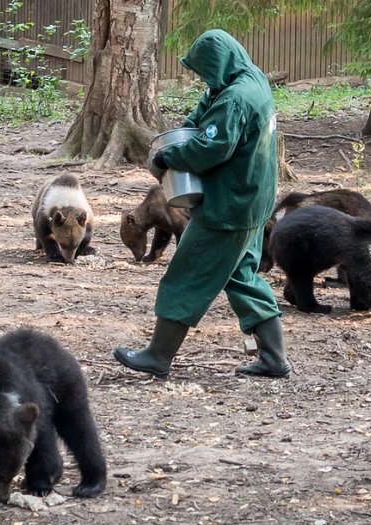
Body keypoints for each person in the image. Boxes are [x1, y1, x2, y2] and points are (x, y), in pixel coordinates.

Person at [113, 29, 291, 379]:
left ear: (218, 64)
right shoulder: (248, 79)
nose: (202, 78)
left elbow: (214, 147)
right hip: (254, 200)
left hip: (229, 207)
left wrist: (168, 157)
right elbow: (205, 115)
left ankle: (158, 356)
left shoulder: (236, 97)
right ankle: (274, 358)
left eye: (204, 70)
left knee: (186, 275)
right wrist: (185, 130)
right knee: (240, 276)